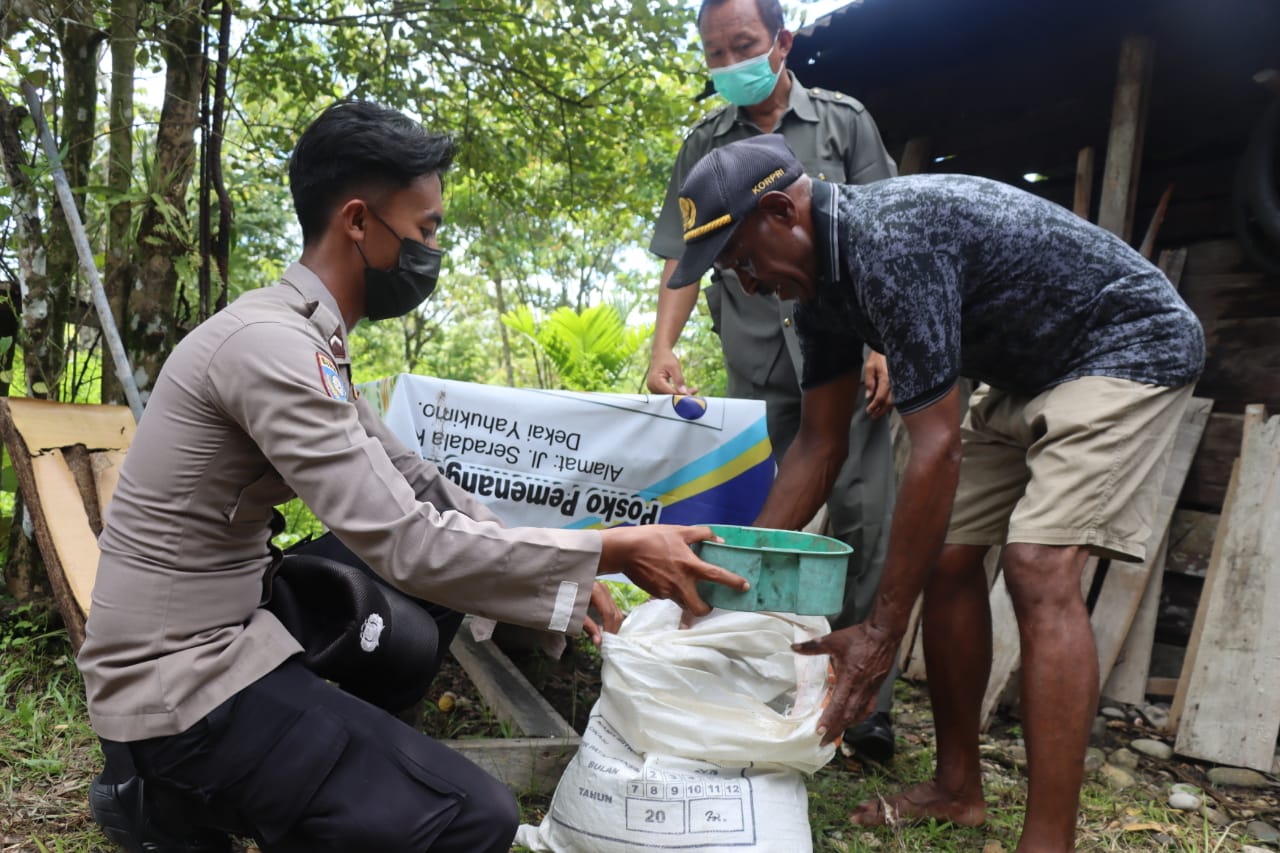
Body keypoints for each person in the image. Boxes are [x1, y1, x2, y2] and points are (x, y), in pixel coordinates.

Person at [78, 100, 748, 853]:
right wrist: (610, 550)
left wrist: (566, 570)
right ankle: (163, 796)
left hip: (231, 621)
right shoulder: (272, 347)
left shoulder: (303, 334)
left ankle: (353, 772)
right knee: (475, 816)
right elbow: (406, 541)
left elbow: (414, 480)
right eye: (425, 229)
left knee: (431, 593)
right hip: (177, 689)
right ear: (359, 222)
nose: (433, 249)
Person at [665, 134, 1205, 852]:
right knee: (951, 563)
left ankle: (1049, 843)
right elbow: (818, 446)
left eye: (744, 262)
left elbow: (937, 447)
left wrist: (883, 632)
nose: (750, 283)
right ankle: (958, 790)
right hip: (1026, 373)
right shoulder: (819, 289)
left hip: (1125, 346)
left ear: (779, 212)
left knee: (1038, 566)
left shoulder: (890, 239)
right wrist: (732, 573)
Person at [646, 0, 900, 761]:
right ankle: (767, 676)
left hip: (855, 362)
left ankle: (867, 703)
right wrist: (664, 345)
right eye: (715, 51)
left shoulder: (843, 123)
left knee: (865, 520)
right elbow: (679, 260)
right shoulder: (702, 144)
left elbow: (883, 230)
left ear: (782, 43)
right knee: (773, 517)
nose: (729, 63)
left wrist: (884, 342)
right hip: (759, 365)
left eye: (743, 46)